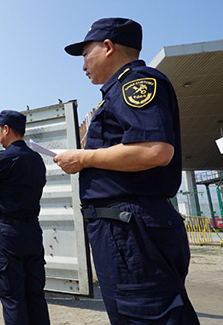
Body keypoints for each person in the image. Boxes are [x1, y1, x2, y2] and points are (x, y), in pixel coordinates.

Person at [55, 18, 199, 324]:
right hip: (124, 227)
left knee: (146, 316)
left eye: (85, 54)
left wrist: (83, 158)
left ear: (108, 47)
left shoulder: (136, 82)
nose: (83, 65)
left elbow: (155, 150)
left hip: (131, 229)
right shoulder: (116, 93)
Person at [0, 110, 50, 325]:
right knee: (35, 294)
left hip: (9, 234)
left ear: (6, 130)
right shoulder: (37, 159)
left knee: (12, 296)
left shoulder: (3, 158)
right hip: (32, 231)